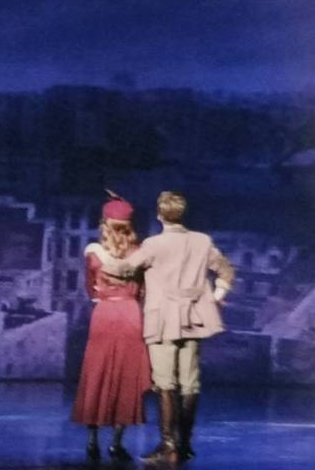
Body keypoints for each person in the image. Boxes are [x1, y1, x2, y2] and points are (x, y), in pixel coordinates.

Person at [100, 191, 235, 464]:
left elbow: (123, 269)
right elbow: (226, 271)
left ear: (160, 216)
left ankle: (168, 445)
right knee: (189, 384)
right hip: (193, 320)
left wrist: (101, 255)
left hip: (162, 321)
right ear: (182, 214)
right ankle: (184, 445)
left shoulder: (154, 244)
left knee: (165, 384)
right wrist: (216, 296)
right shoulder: (202, 241)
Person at [71, 192, 151, 463]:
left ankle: (92, 440)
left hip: (104, 314)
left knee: (97, 373)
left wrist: (105, 296)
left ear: (105, 224)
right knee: (126, 377)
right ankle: (116, 444)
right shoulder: (139, 254)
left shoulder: (94, 252)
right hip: (130, 314)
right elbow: (143, 290)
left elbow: (90, 288)